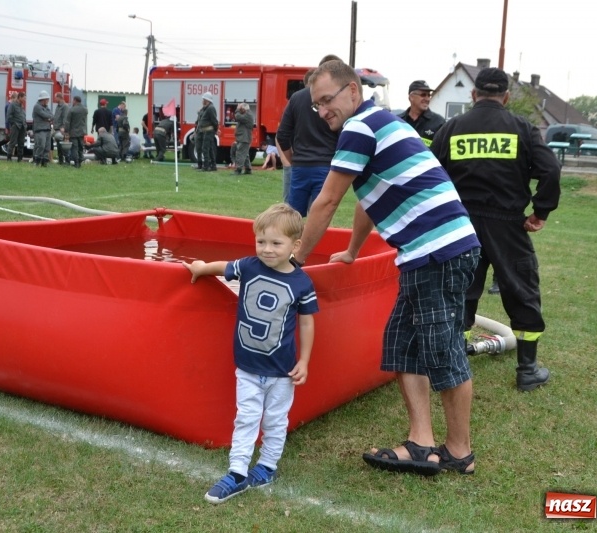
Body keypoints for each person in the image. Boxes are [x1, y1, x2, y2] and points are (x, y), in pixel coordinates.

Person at [294, 59, 481, 476]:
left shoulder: (359, 128)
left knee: (443, 351)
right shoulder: (380, 124)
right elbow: (369, 196)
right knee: (402, 344)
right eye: (317, 105)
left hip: (437, 252)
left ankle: (458, 453)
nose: (323, 111)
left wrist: (297, 261)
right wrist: (353, 250)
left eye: (328, 100)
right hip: (428, 253)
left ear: (353, 92)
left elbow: (327, 201)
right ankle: (420, 443)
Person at [430, 67, 561, 392]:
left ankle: (456, 364)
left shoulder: (452, 127)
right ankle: (527, 371)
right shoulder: (522, 128)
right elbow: (551, 169)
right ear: (506, 97)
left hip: (462, 225)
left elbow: (429, 172)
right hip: (508, 225)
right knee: (522, 291)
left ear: (474, 95)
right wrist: (540, 211)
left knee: (461, 292)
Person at [183, 203, 318, 504]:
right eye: (261, 242)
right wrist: (201, 268)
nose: (267, 249)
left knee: (275, 419)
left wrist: (305, 360)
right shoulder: (248, 266)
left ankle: (267, 467)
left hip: (282, 370)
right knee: (246, 418)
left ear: (295, 245)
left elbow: (307, 322)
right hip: (247, 366)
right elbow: (223, 267)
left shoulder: (302, 282)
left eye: (276, 243)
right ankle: (237, 472)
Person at [277, 56, 341, 216]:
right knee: (320, 217)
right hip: (326, 165)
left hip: (300, 166)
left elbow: (282, 134)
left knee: (294, 218)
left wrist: (293, 159)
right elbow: (344, 134)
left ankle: (294, 241)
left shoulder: (297, 98)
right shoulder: (337, 100)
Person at [396, 80, 446, 146]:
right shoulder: (398, 121)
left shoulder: (439, 122)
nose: (427, 99)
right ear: (411, 97)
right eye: (423, 95)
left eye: (429, 95)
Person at [64, 95, 88, 168]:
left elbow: (67, 122)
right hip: (82, 132)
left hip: (73, 132)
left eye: (73, 100)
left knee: (74, 148)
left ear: (75, 100)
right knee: (81, 147)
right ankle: (80, 160)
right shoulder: (85, 110)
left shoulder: (72, 110)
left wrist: (66, 131)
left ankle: (76, 162)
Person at [197, 92, 219, 171]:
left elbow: (214, 121)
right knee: (209, 149)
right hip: (206, 131)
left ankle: (206, 166)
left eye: (204, 99)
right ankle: (213, 165)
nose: (203, 101)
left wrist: (216, 130)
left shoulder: (210, 108)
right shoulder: (207, 108)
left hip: (209, 131)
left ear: (207, 100)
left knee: (205, 148)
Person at [32, 90, 54, 167]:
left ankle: (44, 162)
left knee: (47, 147)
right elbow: (44, 115)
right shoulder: (37, 106)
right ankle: (37, 160)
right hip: (40, 129)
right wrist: (48, 118)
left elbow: (51, 115)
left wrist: (48, 118)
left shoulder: (46, 107)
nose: (48, 101)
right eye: (47, 99)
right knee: (41, 145)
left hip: (47, 129)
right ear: (43, 99)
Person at [232, 103, 254, 175]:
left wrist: (237, 109)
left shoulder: (248, 115)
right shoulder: (247, 114)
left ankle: (238, 169)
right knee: (245, 154)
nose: (240, 110)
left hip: (244, 138)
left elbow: (238, 117)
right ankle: (248, 169)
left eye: (241, 109)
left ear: (244, 109)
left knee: (240, 153)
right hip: (243, 137)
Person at [5, 91, 26, 162]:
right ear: (19, 97)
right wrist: (14, 124)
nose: (24, 99)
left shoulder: (21, 106)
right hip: (16, 126)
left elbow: (23, 115)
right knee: (12, 142)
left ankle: (20, 159)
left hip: (22, 126)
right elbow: (9, 116)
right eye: (23, 98)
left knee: (21, 143)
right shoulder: (12, 105)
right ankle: (9, 158)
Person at [52, 92, 70, 164]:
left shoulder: (65, 106)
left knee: (63, 145)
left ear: (59, 97)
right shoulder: (58, 106)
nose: (54, 99)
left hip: (61, 129)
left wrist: (63, 127)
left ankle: (67, 160)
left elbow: (65, 118)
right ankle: (60, 160)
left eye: (55, 97)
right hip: (56, 128)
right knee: (59, 146)